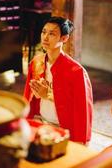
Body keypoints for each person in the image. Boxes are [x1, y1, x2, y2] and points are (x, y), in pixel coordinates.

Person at [24, 16, 93, 144]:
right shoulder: (36, 62)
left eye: (52, 34)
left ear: (64, 38)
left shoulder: (76, 71)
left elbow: (81, 109)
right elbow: (28, 97)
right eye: (44, 32)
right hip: (40, 121)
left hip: (63, 128)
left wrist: (49, 94)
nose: (45, 37)